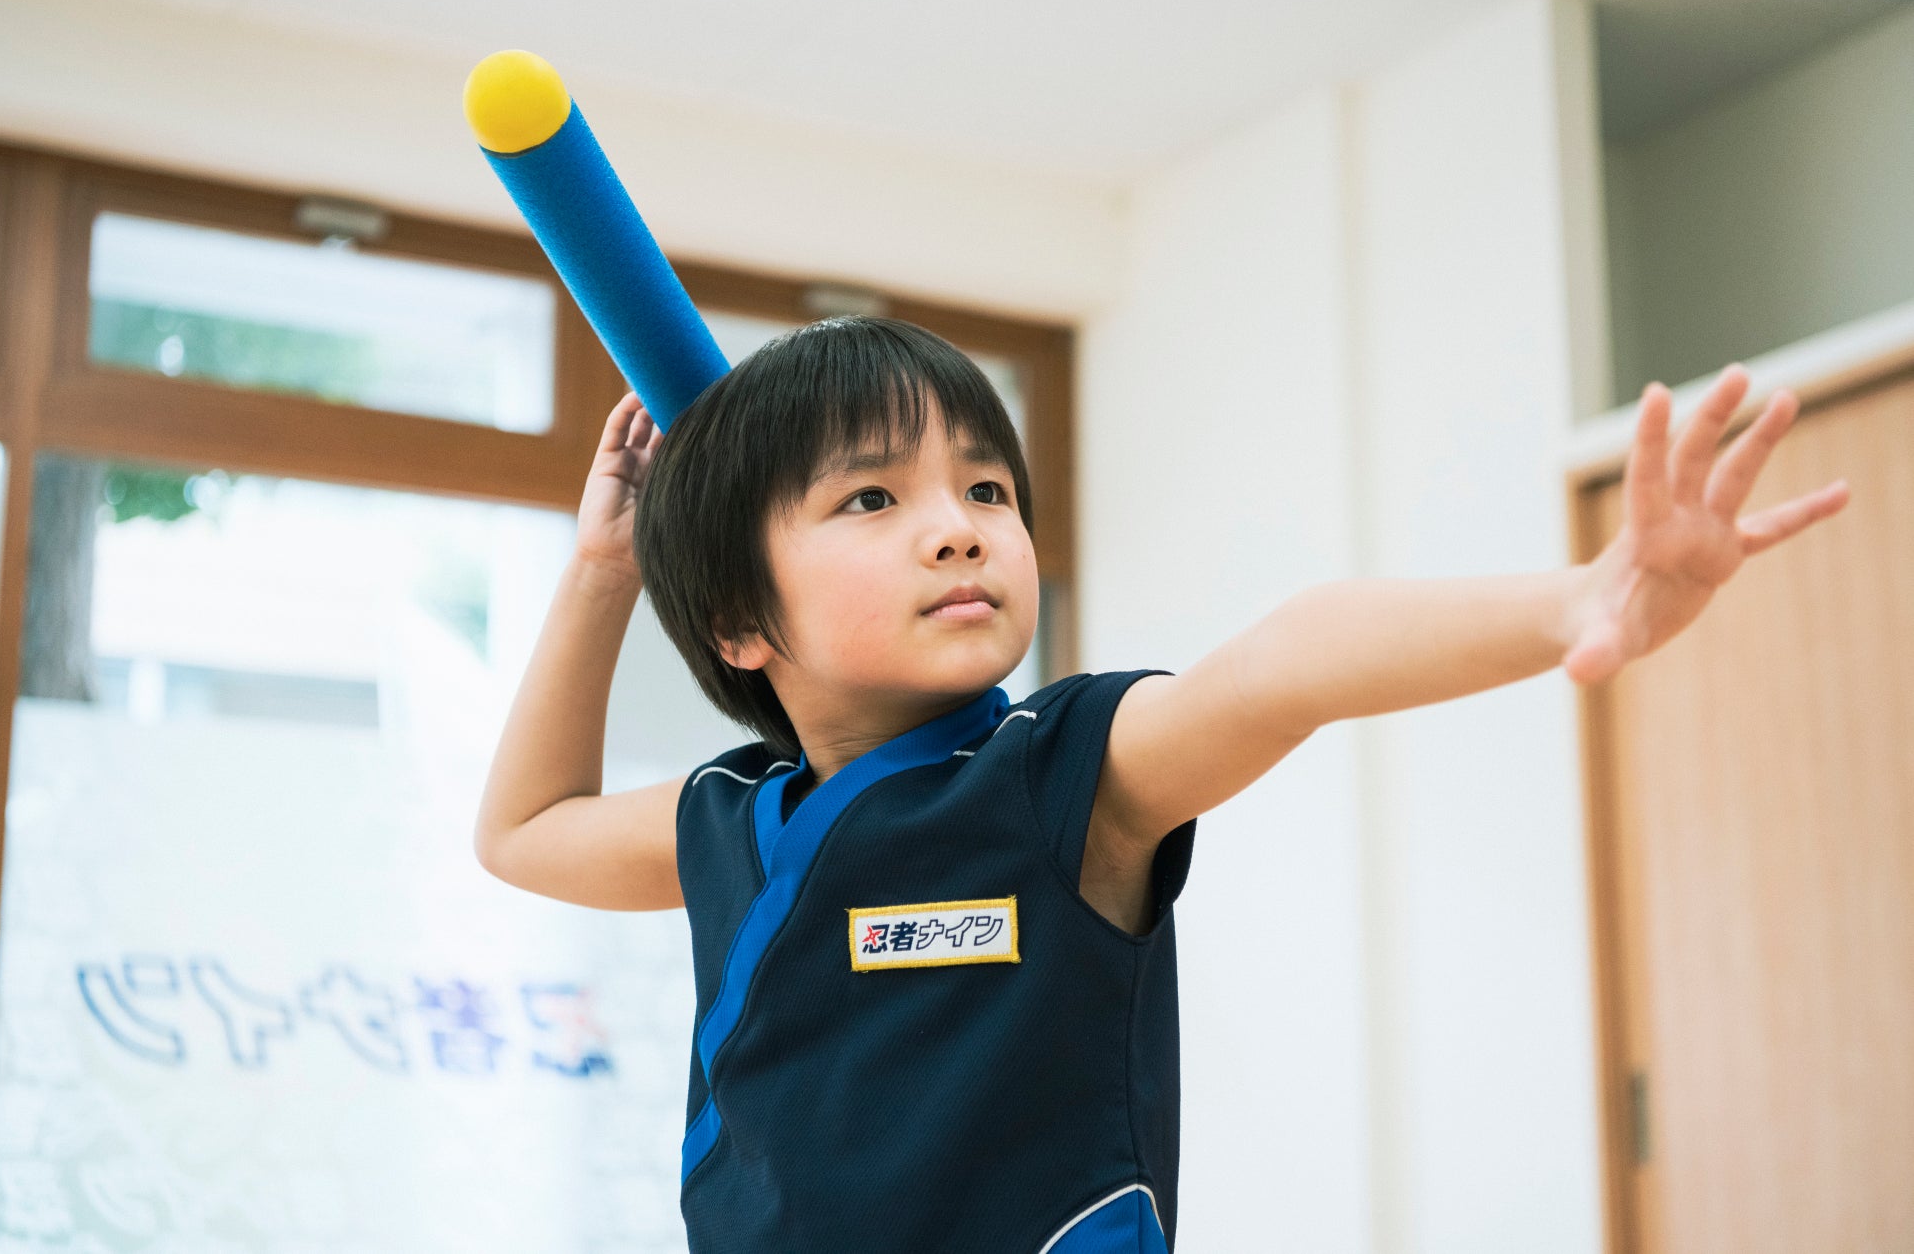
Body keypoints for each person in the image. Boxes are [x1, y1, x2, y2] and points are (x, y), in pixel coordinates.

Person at [473, 315, 1849, 1253]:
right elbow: (522, 832)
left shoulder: (1058, 776)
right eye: (872, 501)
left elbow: (1284, 665)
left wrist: (1576, 598)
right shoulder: (729, 824)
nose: (958, 529)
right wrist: (605, 574)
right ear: (736, 623)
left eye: (987, 491)